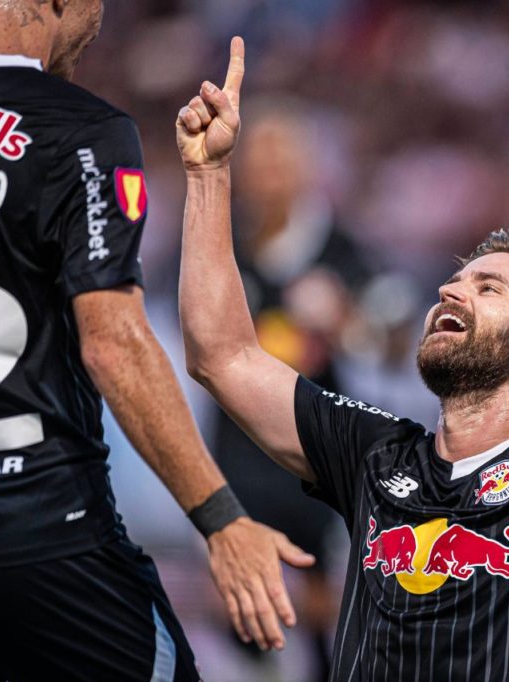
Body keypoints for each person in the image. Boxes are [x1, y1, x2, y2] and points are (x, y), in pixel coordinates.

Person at [177, 13, 509, 681]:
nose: (451, 291)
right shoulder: (373, 453)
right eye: (453, 281)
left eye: (487, 287)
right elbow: (221, 356)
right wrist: (210, 175)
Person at [0, 1, 312, 680]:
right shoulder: (79, 130)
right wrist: (223, 519)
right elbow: (114, 343)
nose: (99, 22)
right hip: (43, 539)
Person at [211, 101, 373, 680]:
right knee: (245, 606)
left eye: (282, 159)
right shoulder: (222, 238)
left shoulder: (337, 246)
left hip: (315, 450)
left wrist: (346, 319)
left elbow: (388, 334)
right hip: (240, 449)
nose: (270, 173)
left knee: (329, 594)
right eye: (261, 160)